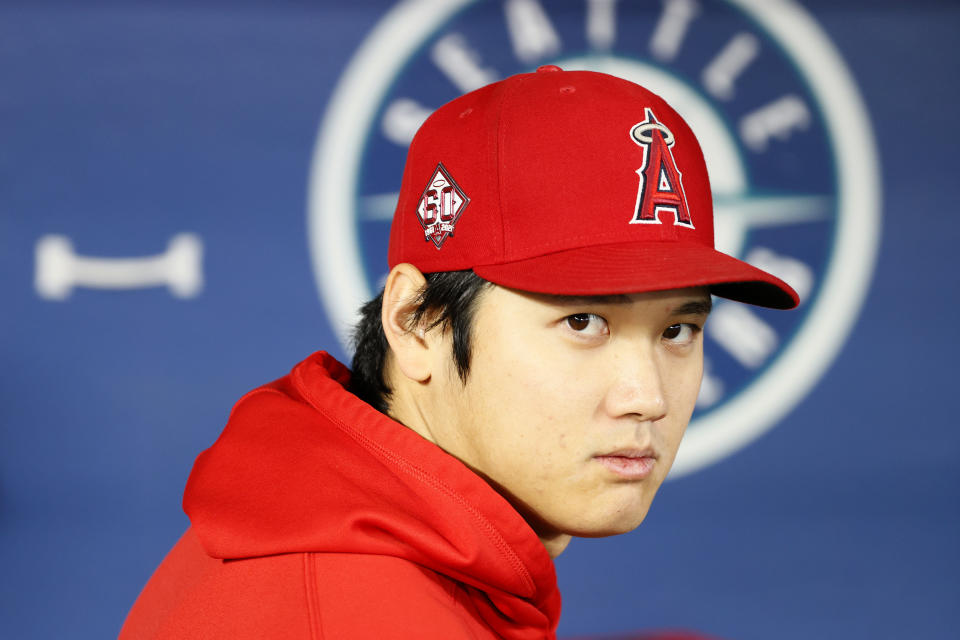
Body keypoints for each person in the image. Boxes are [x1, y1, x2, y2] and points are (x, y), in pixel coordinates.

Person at [119, 65, 797, 640]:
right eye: (583, 321)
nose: (648, 396)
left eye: (678, 330)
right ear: (416, 323)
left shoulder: (360, 547)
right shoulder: (355, 611)